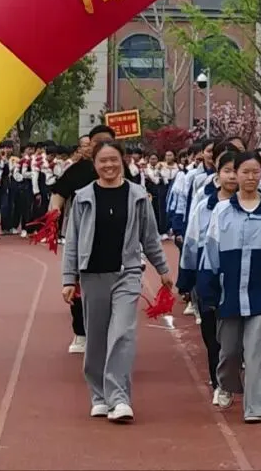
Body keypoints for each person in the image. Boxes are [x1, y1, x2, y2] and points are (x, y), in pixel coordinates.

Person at [61, 140, 172, 422]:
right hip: (92, 275)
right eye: (103, 161)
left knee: (122, 334)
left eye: (114, 160)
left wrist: (162, 268)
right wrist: (69, 278)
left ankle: (119, 398)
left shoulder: (138, 196)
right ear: (94, 164)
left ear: (122, 161)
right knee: (96, 338)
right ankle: (99, 397)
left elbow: (150, 236)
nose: (109, 165)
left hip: (128, 273)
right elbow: (72, 241)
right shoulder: (83, 198)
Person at [198, 151, 261, 423]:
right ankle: (226, 383)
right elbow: (211, 252)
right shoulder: (222, 211)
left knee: (255, 355)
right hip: (229, 293)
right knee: (229, 352)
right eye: (245, 172)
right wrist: (207, 291)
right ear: (235, 175)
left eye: (256, 172)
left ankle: (254, 408)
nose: (251, 177)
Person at [177, 150, 239, 405]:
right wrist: (186, 278)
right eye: (227, 170)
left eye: (237, 171)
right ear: (218, 173)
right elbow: (192, 243)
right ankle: (219, 382)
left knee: (237, 337)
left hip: (240, 278)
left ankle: (236, 375)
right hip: (209, 277)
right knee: (212, 335)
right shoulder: (204, 206)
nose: (233, 176)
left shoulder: (258, 205)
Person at [51, 125, 116, 354]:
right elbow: (58, 193)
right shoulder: (77, 171)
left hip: (114, 239)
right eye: (95, 142)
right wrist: (53, 214)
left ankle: (110, 333)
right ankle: (80, 332)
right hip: (81, 237)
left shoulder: (120, 168)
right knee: (78, 287)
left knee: (113, 289)